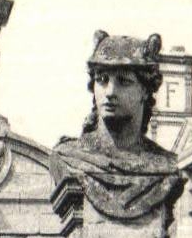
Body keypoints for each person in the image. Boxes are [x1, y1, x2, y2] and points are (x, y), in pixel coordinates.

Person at [50, 31, 183, 220]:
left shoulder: (166, 165)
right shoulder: (67, 156)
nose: (110, 92)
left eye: (123, 81)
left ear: (145, 90)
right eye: (102, 80)